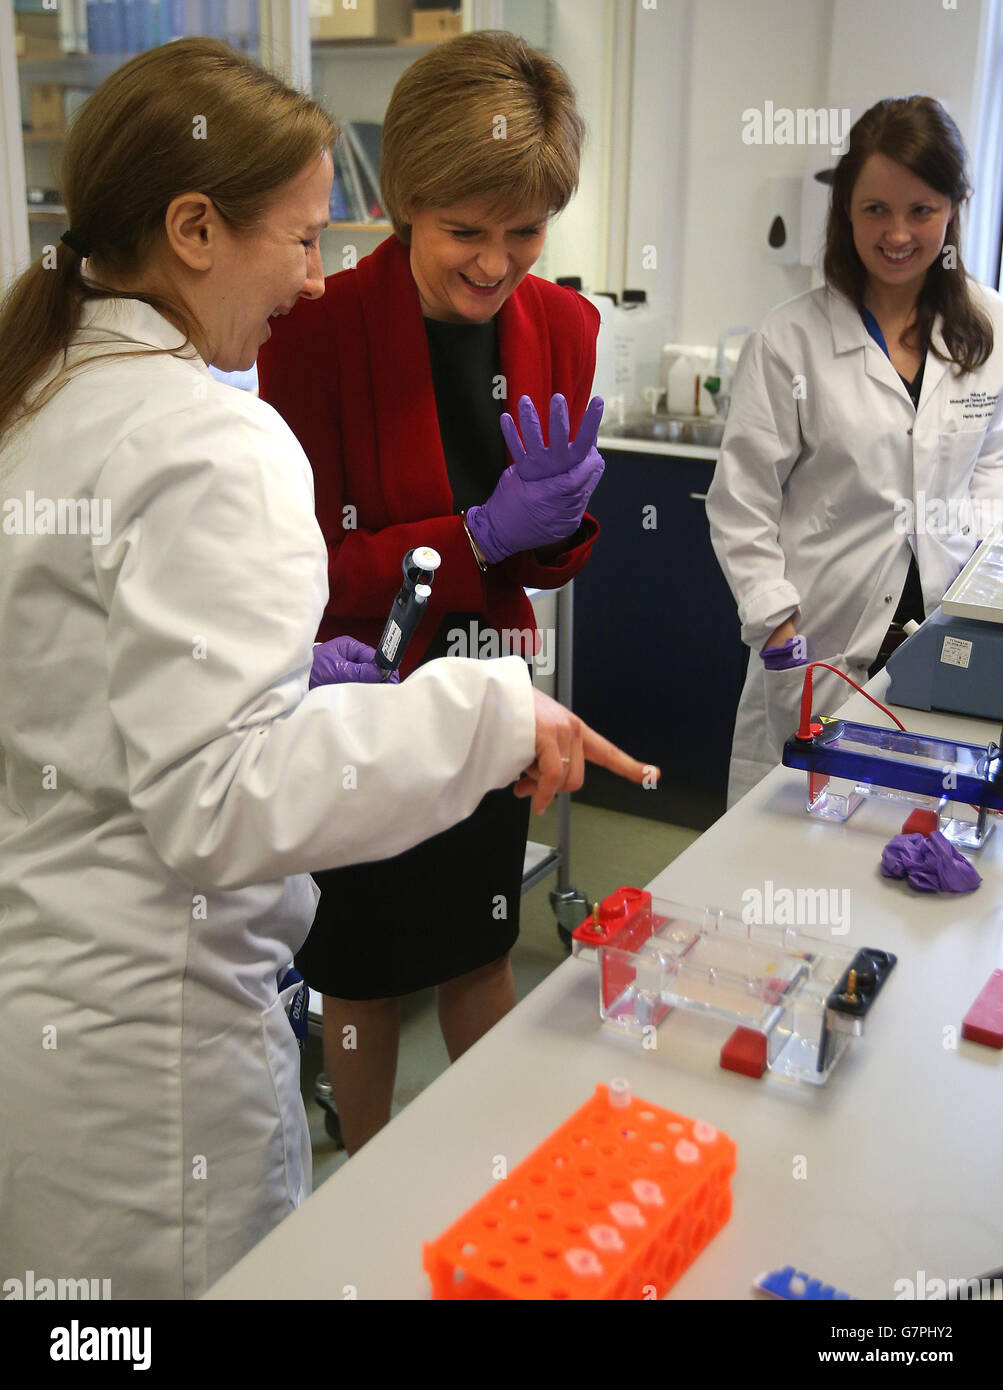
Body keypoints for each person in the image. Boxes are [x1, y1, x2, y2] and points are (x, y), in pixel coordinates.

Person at [0, 39, 654, 1299]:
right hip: (153, 1043)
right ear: (193, 228)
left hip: (60, 997)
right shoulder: (208, 437)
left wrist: (290, 667)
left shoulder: (44, 388)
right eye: (301, 239)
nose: (313, 278)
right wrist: (485, 708)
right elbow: (217, 799)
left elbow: (96, 679)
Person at [258, 32, 607, 1154]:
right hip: (357, 692)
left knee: (478, 946)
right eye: (465, 230)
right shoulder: (314, 329)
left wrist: (550, 531)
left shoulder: (564, 327)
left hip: (492, 688)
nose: (496, 263)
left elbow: (544, 565)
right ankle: (365, 1173)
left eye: (525, 233)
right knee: (358, 969)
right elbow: (306, 566)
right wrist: (478, 530)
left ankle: (489, 1174)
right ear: (405, 201)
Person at [706, 95, 1003, 806]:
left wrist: (981, 586)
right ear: (845, 208)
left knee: (924, 847)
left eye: (920, 210)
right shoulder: (790, 339)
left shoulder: (990, 325)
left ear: (953, 207)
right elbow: (741, 502)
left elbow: (992, 470)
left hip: (947, 645)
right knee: (790, 852)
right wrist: (774, 620)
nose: (896, 233)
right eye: (874, 209)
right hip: (819, 644)